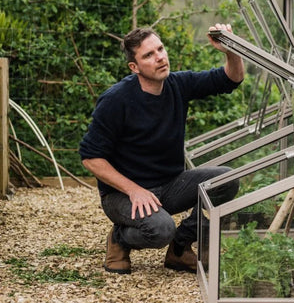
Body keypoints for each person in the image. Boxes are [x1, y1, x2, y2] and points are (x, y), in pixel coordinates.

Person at [79, 23, 244, 274]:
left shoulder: (179, 84)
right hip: (121, 195)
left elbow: (231, 79)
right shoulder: (116, 100)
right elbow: (91, 158)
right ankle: (119, 238)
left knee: (226, 179)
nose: (160, 57)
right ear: (134, 67)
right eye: (149, 55)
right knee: (161, 229)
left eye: (160, 49)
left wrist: (230, 49)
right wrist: (134, 190)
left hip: (170, 184)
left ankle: (180, 247)